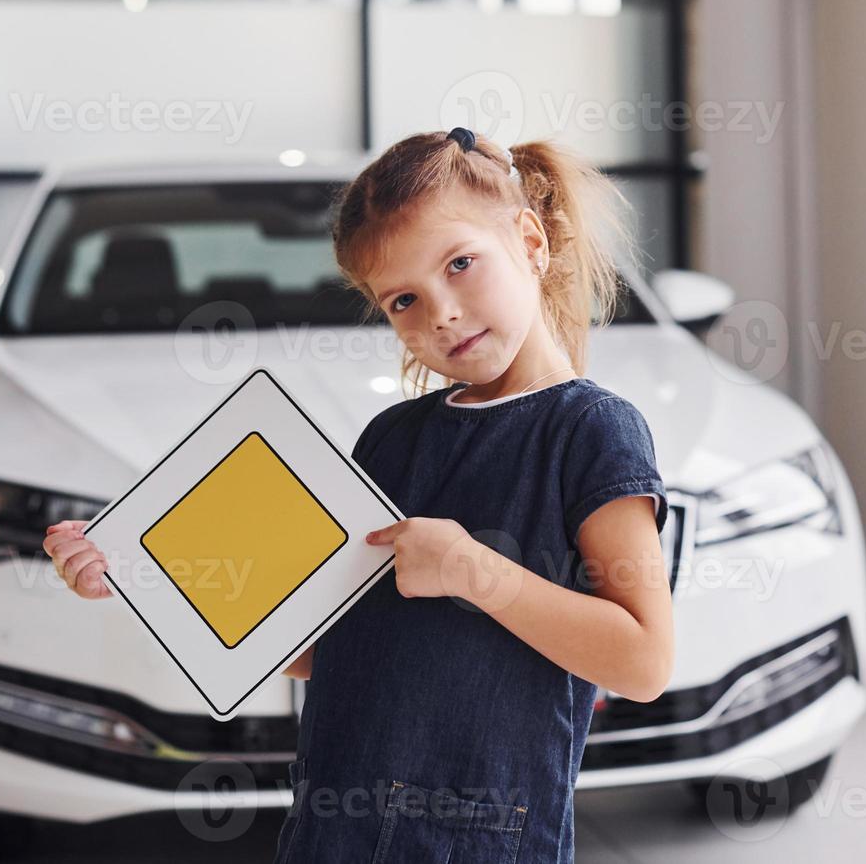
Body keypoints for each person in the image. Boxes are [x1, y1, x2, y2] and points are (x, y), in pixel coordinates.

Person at [42, 127, 673, 863]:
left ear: (530, 242)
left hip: (482, 845)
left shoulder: (591, 431)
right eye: (403, 300)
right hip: (331, 831)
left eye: (461, 264)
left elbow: (644, 662)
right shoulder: (389, 441)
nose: (439, 312)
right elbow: (328, 648)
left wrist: (473, 571)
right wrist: (139, 570)